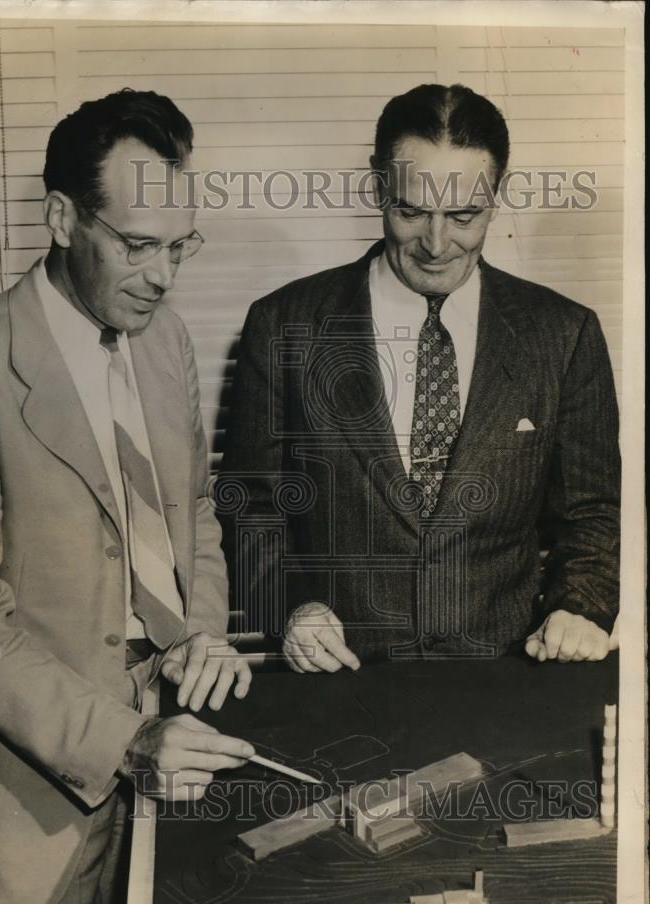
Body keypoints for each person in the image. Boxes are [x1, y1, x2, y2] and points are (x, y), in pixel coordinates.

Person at [0, 89, 256, 904]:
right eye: (136, 246)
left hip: (170, 761)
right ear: (61, 217)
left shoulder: (163, 339)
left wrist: (198, 631)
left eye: (179, 247)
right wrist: (125, 743)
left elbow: (191, 513)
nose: (163, 276)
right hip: (28, 808)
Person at [218, 83, 619, 672]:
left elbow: (592, 515)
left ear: (497, 196)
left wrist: (580, 607)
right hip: (339, 682)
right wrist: (288, 607)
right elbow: (246, 507)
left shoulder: (564, 335)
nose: (436, 244)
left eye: (463, 215)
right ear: (378, 186)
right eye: (411, 211)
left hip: (508, 679)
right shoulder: (284, 324)